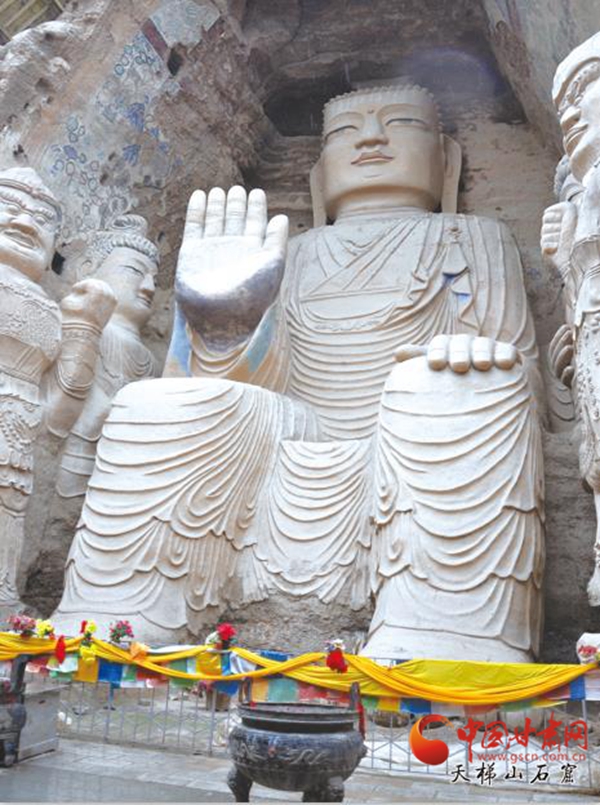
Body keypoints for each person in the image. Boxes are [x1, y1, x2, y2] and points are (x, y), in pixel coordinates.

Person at [55, 85, 544, 661]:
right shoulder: (299, 251)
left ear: (447, 160)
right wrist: (225, 324)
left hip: (416, 422)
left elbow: (519, 366)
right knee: (154, 402)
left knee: (460, 384)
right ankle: (124, 610)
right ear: (318, 176)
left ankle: (444, 630)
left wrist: (473, 351)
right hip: (296, 425)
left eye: (401, 123)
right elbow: (254, 385)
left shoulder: (472, 237)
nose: (370, 139)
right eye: (345, 131)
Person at [0, 167, 115, 611]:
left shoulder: (49, 310)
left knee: (9, 511)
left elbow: (59, 414)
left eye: (43, 219)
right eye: (8, 206)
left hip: (17, 435)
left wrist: (85, 327)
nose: (25, 223)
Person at [56, 215, 157, 498]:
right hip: (69, 461)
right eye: (135, 271)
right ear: (88, 268)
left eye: (155, 279)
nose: (148, 287)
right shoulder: (78, 323)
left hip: (115, 476)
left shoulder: (149, 359)